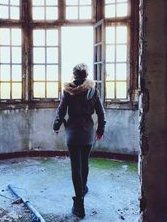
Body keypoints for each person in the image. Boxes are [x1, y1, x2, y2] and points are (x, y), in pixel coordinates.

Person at [52, 63, 106, 218]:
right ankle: (83, 189)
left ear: (74, 75)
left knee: (75, 167)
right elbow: (101, 115)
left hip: (73, 134)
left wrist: (56, 126)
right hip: (88, 133)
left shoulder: (68, 91)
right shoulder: (93, 91)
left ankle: (79, 204)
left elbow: (61, 111)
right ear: (86, 75)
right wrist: (100, 131)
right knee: (85, 164)